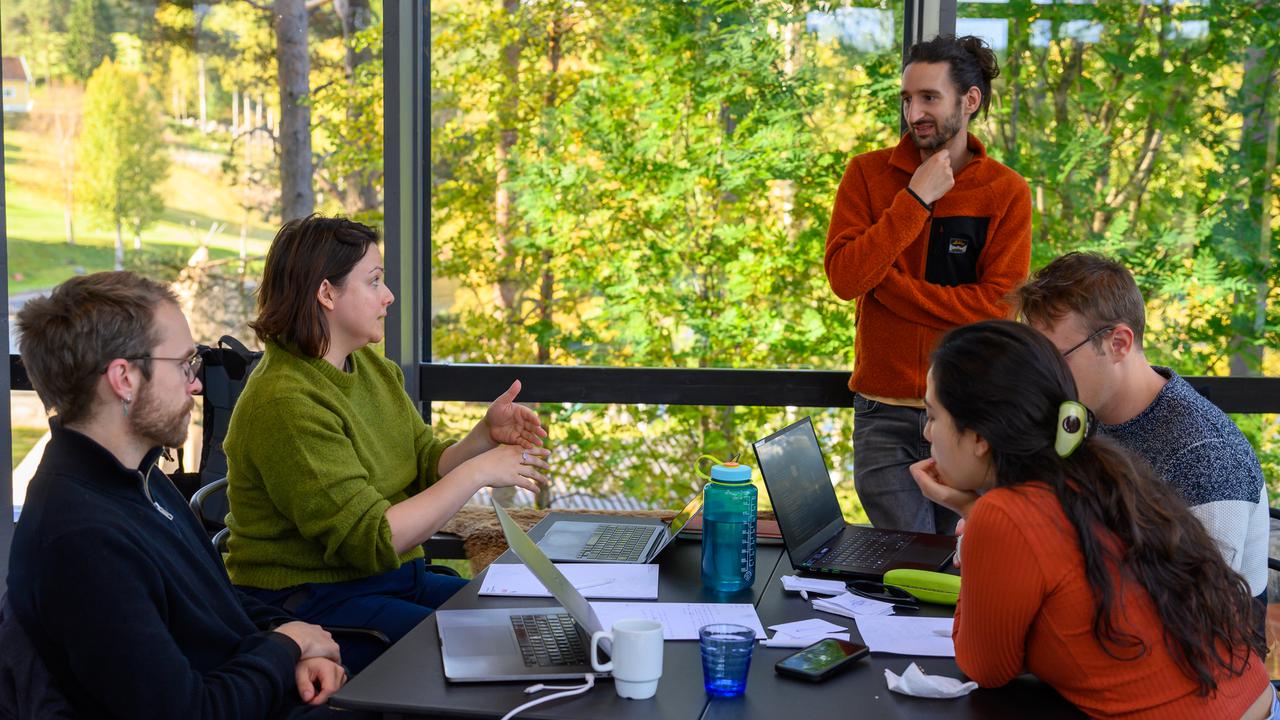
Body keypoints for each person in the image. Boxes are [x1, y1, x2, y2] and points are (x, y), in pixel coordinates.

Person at [7, 271, 356, 719]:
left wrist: (294, 636)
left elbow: (217, 605)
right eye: (185, 365)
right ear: (124, 379)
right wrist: (286, 647)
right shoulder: (81, 537)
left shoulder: (140, 476)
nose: (196, 384)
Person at [223, 214, 551, 672]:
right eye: (374, 282)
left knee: (525, 622)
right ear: (326, 293)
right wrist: (478, 473)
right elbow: (372, 538)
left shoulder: (371, 369)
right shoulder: (285, 404)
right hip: (316, 601)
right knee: (496, 650)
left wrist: (482, 437)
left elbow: (422, 462)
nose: (389, 296)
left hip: (390, 579)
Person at [911, 320, 1272, 719]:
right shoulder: (1104, 471)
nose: (928, 433)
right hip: (1259, 702)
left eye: (932, 415)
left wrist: (974, 515)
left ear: (979, 436)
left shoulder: (1006, 514)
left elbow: (986, 668)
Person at [824, 34, 1032, 534]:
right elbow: (848, 278)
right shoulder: (868, 176)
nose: (914, 112)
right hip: (884, 416)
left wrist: (891, 288)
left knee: (964, 562)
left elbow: (994, 312)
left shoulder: (1006, 192)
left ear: (970, 100)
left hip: (969, 419)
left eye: (929, 98)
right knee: (906, 563)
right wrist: (914, 201)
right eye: (907, 99)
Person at [1005, 252, 1267, 607]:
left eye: (1056, 358)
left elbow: (1202, 610)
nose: (1044, 376)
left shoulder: (1207, 455)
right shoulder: (1083, 415)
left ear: (1119, 344)